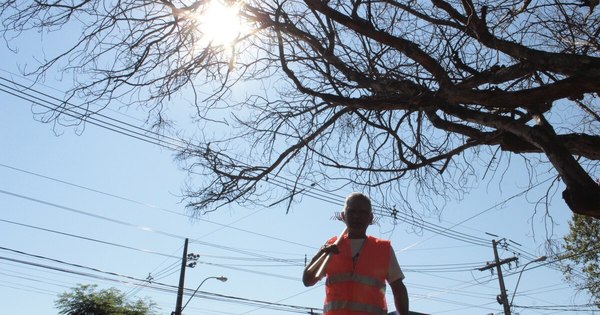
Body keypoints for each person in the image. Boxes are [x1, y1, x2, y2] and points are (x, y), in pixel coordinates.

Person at [303, 192, 409, 315]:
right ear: (343, 216)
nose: (356, 216)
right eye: (351, 211)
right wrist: (320, 254)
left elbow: (398, 289)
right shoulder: (331, 247)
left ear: (370, 218)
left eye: (363, 212)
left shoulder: (383, 249)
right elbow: (307, 281)